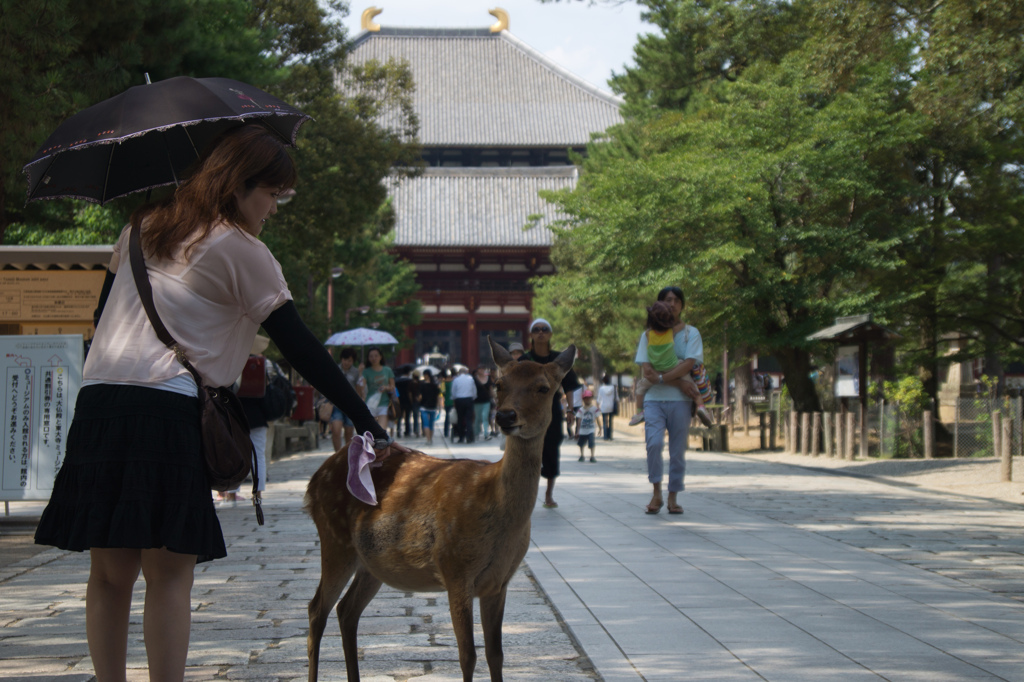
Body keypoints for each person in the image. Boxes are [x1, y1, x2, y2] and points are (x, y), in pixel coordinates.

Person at [32, 124, 407, 682]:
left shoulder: (141, 225)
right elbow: (301, 347)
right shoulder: (240, 248)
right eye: (272, 195)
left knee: (109, 574)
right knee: (168, 573)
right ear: (238, 186)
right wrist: (364, 420)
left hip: (101, 404)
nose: (274, 209)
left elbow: (101, 316)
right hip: (165, 408)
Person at [634, 286, 702, 515]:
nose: (672, 304)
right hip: (653, 399)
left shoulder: (690, 333)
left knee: (677, 450)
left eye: (676, 300)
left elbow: (688, 364)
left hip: (681, 401)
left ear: (682, 305)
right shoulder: (647, 335)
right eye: (667, 300)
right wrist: (676, 381)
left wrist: (663, 378)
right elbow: (647, 371)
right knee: (653, 444)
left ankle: (673, 497)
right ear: (659, 305)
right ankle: (656, 492)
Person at [522, 318, 581, 509]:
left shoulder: (559, 360)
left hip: (552, 411)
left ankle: (548, 494)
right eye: (536, 329)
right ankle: (527, 495)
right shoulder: (524, 360)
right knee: (529, 453)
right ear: (531, 335)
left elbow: (570, 386)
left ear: (550, 334)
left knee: (552, 451)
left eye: (544, 329)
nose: (541, 332)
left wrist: (570, 409)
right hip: (529, 413)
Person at [629, 301, 713, 428]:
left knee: (640, 388)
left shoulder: (647, 335)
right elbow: (682, 326)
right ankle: (701, 407)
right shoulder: (671, 332)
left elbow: (649, 332)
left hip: (656, 369)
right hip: (674, 366)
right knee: (693, 388)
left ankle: (639, 412)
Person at [330, 348, 365, 451]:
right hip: (337, 404)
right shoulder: (335, 369)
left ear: (353, 361)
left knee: (349, 432)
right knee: (336, 430)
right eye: (345, 359)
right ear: (341, 359)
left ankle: (346, 456)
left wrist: (360, 373)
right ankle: (337, 454)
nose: (346, 362)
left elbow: (359, 390)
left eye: (349, 360)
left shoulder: (356, 372)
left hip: (350, 405)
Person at [362, 347, 395, 432]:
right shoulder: (366, 372)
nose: (374, 358)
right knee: (370, 431)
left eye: (376, 356)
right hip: (370, 404)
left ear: (380, 357)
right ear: (368, 358)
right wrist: (360, 373)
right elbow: (361, 387)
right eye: (371, 356)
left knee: (381, 430)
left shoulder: (387, 370)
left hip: (384, 404)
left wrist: (386, 387)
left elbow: (393, 387)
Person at [450, 366, 477, 443]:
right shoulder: (470, 379)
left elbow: (453, 392)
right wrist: (473, 398)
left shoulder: (456, 380)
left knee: (460, 419)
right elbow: (474, 390)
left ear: (459, 373)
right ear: (466, 372)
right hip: (469, 399)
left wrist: (454, 400)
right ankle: (469, 437)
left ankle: (461, 437)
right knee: (469, 419)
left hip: (459, 400)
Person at [417, 369, 443, 445]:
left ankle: (428, 440)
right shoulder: (435, 385)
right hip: (433, 406)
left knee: (425, 424)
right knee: (431, 424)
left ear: (426, 375)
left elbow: (420, 397)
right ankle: (430, 439)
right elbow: (438, 397)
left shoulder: (422, 385)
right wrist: (439, 406)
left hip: (424, 406)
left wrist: (418, 399)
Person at [575, 390, 601, 462]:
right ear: (583, 399)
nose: (587, 400)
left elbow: (597, 418)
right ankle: (582, 455)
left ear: (591, 398)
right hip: (582, 430)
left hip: (591, 429)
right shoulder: (581, 410)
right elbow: (579, 420)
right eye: (586, 398)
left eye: (589, 398)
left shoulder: (594, 409)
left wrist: (600, 428)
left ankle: (592, 456)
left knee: (592, 443)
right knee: (581, 444)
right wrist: (577, 431)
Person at [472, 366, 494, 441]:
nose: (481, 370)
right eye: (480, 369)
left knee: (485, 417)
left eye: (482, 369)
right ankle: (476, 432)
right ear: (477, 370)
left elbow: (490, 389)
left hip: (486, 400)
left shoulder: (488, 378)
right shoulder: (474, 379)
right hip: (477, 401)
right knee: (478, 418)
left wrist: (494, 398)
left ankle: (486, 434)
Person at [395, 366, 414, 438]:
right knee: (407, 417)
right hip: (408, 401)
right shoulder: (410, 381)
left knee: (399, 417)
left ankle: (398, 430)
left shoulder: (397, 381)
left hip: (399, 400)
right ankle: (407, 431)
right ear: (409, 372)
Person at [597, 374, 617, 440]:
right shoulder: (613, 388)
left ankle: (605, 436)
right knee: (611, 421)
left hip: (603, 406)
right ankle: (610, 436)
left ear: (603, 381)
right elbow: (617, 398)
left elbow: (599, 399)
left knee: (605, 422)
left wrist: (598, 406)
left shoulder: (601, 388)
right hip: (611, 406)